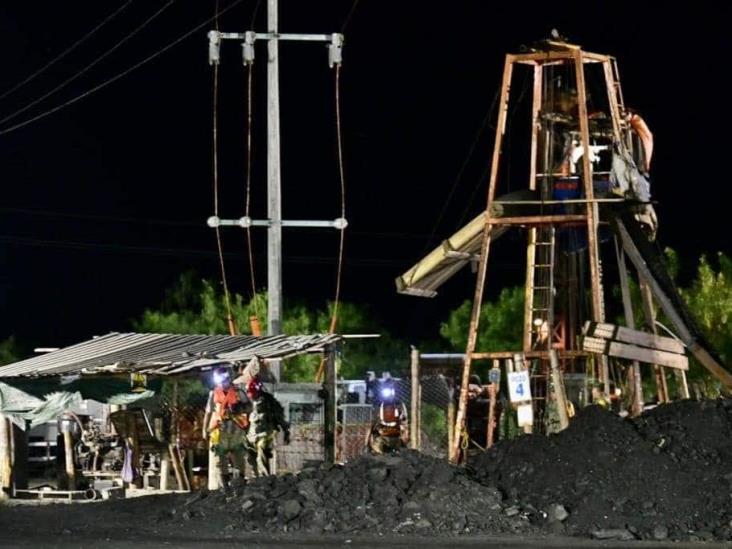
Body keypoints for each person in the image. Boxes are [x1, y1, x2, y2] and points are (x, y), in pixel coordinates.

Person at [202, 366, 250, 488]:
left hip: (236, 429)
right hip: (219, 430)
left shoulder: (239, 392)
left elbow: (250, 408)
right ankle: (225, 487)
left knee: (238, 457)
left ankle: (239, 483)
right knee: (219, 459)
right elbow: (208, 412)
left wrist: (240, 408)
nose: (222, 384)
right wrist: (205, 429)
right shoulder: (213, 394)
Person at [244, 376, 290, 477]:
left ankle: (264, 479)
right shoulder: (248, 402)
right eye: (249, 394)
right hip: (252, 435)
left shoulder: (269, 401)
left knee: (261, 454)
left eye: (252, 394)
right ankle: (255, 479)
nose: (251, 396)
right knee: (250, 457)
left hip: (265, 433)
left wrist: (286, 431)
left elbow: (279, 416)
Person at [367, 378, 409, 455]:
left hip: (396, 434)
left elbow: (404, 419)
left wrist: (403, 426)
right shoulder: (379, 406)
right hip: (382, 435)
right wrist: (367, 442)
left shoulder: (399, 405)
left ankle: (402, 448)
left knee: (402, 446)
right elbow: (372, 422)